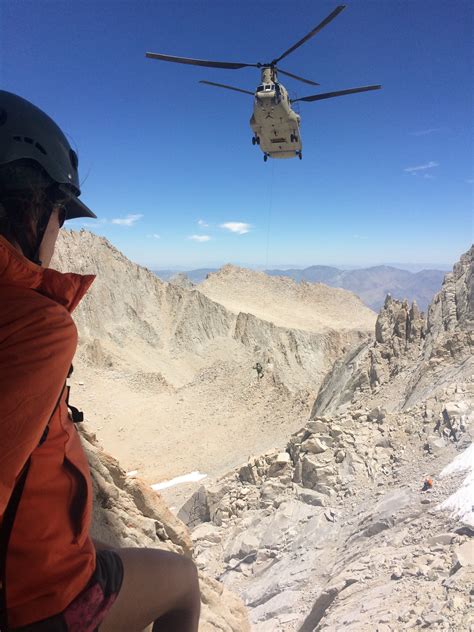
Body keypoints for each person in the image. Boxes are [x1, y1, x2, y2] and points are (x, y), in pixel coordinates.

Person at [0, 91, 200, 631]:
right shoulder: (35, 325)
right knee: (183, 582)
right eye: (59, 212)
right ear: (27, 206)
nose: (60, 232)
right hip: (41, 596)